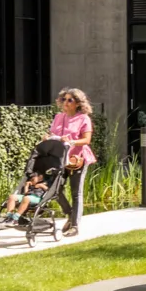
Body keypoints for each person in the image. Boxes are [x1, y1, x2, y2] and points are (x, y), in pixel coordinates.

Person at [47, 88, 96, 236]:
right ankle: (69, 213)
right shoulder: (58, 117)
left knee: (76, 192)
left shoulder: (83, 119)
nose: (66, 103)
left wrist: (72, 142)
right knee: (53, 188)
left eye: (70, 100)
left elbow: (86, 140)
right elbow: (53, 134)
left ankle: (75, 226)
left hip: (77, 159)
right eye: (64, 99)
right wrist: (48, 138)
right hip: (60, 159)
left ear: (78, 104)